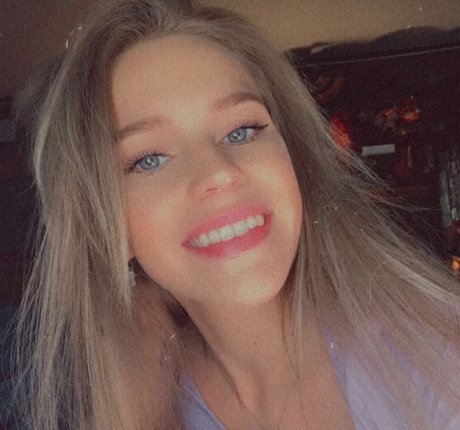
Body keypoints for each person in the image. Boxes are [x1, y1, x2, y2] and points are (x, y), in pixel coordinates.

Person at [10, 0, 460, 428]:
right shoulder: (141, 407)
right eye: (148, 159)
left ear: (294, 161)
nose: (219, 173)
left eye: (242, 130)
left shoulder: (438, 360)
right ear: (106, 226)